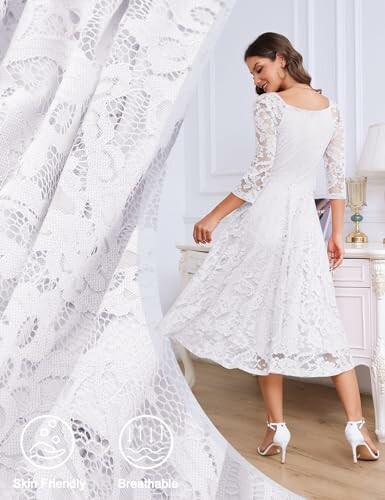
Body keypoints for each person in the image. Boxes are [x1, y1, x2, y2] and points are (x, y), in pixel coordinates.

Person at [156, 32, 380, 464]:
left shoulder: (270, 107)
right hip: (301, 225)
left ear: (281, 58)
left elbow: (259, 176)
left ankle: (276, 429)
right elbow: (335, 180)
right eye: (253, 76)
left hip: (267, 222)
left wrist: (213, 216)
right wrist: (336, 233)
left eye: (259, 69)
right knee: (325, 322)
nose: (258, 82)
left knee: (264, 325)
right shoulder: (331, 109)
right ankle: (357, 428)